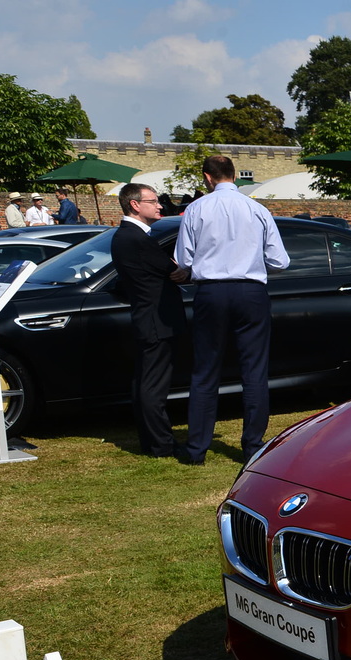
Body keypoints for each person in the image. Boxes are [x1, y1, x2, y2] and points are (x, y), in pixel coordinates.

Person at [174, 154, 289, 466]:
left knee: (205, 371)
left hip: (210, 291)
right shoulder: (257, 208)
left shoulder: (196, 209)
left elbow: (184, 260)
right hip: (251, 291)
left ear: (208, 178)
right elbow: (281, 261)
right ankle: (252, 446)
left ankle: (197, 449)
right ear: (233, 175)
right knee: (254, 371)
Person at [111, 183, 190, 458]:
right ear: (135, 205)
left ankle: (152, 441)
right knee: (153, 386)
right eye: (153, 201)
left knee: (146, 383)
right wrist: (181, 269)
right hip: (156, 320)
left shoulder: (127, 236)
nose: (159, 205)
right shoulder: (136, 238)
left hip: (149, 318)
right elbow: (173, 270)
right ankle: (161, 444)